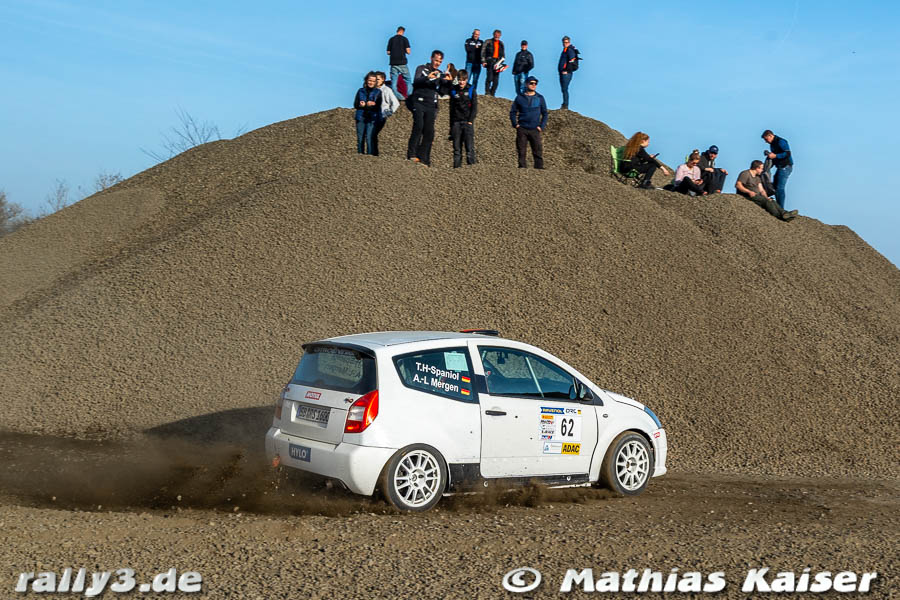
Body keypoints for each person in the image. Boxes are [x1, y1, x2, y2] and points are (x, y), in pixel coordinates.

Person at [407, 50, 452, 166]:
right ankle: (412, 154)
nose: (437, 63)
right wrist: (427, 77)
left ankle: (424, 158)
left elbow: (443, 91)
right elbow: (416, 81)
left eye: (440, 62)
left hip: (431, 104)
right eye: (436, 60)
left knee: (429, 132)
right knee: (419, 126)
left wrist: (448, 82)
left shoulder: (439, 73)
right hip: (419, 101)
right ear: (431, 58)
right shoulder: (421, 68)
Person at [510, 76, 548, 169]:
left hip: (535, 128)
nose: (533, 85)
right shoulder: (519, 98)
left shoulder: (540, 98)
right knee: (521, 150)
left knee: (537, 150)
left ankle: (539, 168)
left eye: (535, 83)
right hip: (522, 128)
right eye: (531, 83)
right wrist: (515, 124)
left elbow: (545, 113)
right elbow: (513, 112)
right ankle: (522, 168)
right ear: (526, 84)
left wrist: (541, 126)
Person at [448, 70, 477, 168]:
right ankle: (457, 169)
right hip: (456, 122)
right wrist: (451, 125)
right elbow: (451, 108)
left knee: (469, 148)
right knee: (457, 149)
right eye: (459, 80)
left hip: (467, 122)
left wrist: (470, 121)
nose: (461, 82)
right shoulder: (453, 90)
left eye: (463, 80)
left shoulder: (471, 89)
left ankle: (471, 169)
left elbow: (474, 107)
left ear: (466, 79)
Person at [761, 129, 793, 209]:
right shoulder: (772, 144)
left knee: (779, 188)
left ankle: (781, 208)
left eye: (766, 139)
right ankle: (776, 206)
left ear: (770, 135)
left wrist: (776, 156)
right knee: (774, 187)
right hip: (779, 167)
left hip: (785, 166)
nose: (766, 142)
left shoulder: (781, 141)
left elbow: (787, 153)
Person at [354, 72, 382, 155]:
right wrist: (361, 105)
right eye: (370, 80)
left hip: (372, 117)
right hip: (361, 116)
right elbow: (355, 104)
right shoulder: (360, 91)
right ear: (366, 80)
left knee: (369, 137)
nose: (371, 82)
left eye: (373, 81)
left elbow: (378, 106)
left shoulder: (378, 92)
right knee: (360, 138)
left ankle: (370, 156)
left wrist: (373, 105)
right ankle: (360, 155)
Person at [372, 71, 400, 156]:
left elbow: (396, 103)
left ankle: (374, 153)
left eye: (378, 79)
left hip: (381, 115)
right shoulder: (372, 90)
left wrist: (389, 112)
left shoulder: (387, 90)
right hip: (371, 115)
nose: (376, 81)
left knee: (373, 134)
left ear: (383, 79)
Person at [387, 26, 412, 99]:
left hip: (393, 63)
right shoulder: (405, 39)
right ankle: (409, 96)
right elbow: (408, 51)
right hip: (402, 62)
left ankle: (400, 97)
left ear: (397, 31)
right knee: (408, 80)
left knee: (394, 81)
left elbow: (388, 52)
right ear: (403, 32)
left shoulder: (391, 39)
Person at [481, 29, 505, 97]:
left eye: (498, 35)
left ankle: (492, 93)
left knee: (496, 80)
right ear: (493, 34)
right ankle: (487, 92)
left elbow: (503, 55)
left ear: (500, 36)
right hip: (490, 61)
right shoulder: (488, 41)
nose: (497, 36)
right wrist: (483, 61)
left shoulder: (501, 44)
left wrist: (502, 63)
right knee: (489, 78)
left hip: (498, 63)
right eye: (496, 35)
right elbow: (483, 51)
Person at [558, 36, 578, 109]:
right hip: (562, 73)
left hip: (566, 74)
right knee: (563, 89)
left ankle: (565, 105)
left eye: (566, 42)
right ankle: (564, 103)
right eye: (564, 42)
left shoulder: (569, 50)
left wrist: (567, 70)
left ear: (569, 42)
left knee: (565, 89)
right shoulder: (565, 50)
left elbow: (572, 61)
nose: (565, 44)